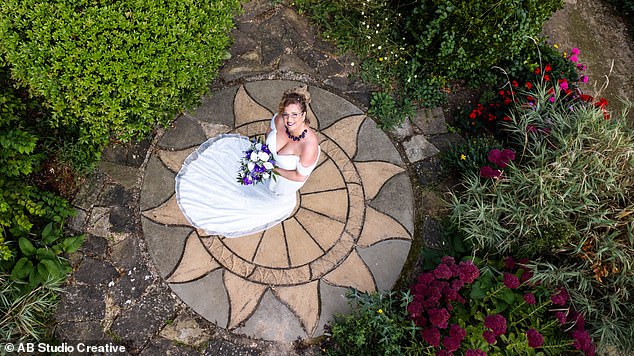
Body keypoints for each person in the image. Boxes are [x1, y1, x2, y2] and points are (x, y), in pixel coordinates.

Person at [175, 86, 321, 238]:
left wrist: (271, 169)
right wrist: (263, 154)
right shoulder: (279, 120)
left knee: (272, 195)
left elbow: (299, 176)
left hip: (286, 179)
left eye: (295, 114)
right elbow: (270, 132)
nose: (289, 120)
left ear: (303, 115)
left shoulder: (308, 146)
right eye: (286, 114)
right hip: (269, 165)